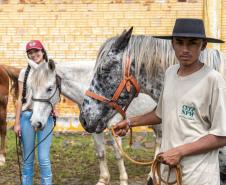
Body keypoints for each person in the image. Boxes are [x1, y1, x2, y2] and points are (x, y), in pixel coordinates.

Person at [113, 18, 226, 185]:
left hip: (199, 176)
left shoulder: (213, 80)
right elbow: (161, 113)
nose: (185, 49)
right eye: (179, 43)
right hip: (167, 172)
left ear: (203, 46)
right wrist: (129, 122)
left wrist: (179, 152)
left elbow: (221, 136)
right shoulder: (171, 73)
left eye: (192, 43)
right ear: (172, 44)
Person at [14, 40, 54, 185]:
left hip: (45, 118)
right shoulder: (24, 73)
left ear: (42, 51)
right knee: (28, 159)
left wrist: (55, 110)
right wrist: (17, 122)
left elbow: (55, 93)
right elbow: (19, 99)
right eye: (30, 53)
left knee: (43, 159)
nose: (34, 54)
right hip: (26, 116)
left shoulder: (50, 70)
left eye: (36, 51)